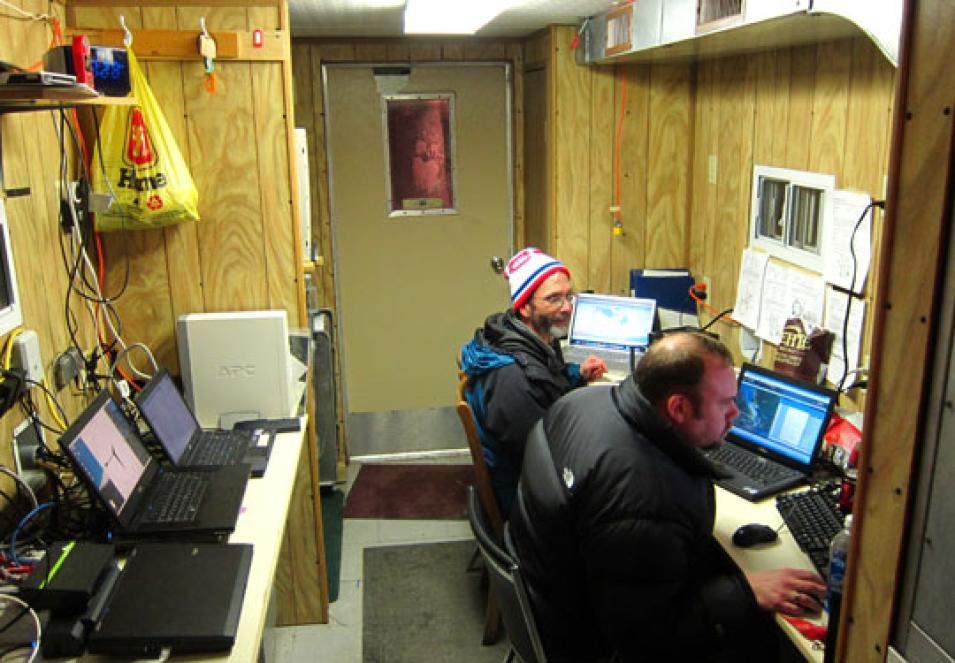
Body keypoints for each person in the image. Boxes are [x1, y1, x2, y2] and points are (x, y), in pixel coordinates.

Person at [508, 331, 827, 663]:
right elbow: (650, 637)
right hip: (588, 642)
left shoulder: (582, 401)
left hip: (555, 595)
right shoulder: (646, 495)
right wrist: (744, 591)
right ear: (678, 407)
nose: (736, 415)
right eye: (725, 403)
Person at [460, 248, 607, 517]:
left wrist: (577, 374)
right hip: (526, 499)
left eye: (568, 296)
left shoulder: (532, 339)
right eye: (553, 299)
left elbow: (548, 380)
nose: (567, 307)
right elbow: (542, 458)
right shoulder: (511, 379)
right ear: (525, 307)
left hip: (530, 472)